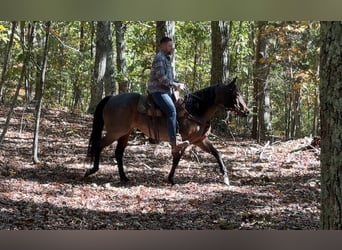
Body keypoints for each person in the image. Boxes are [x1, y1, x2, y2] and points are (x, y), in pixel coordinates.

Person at [148, 36, 189, 153]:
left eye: (172, 45)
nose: (172, 47)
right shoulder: (159, 58)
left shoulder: (167, 59)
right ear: (163, 46)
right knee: (171, 111)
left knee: (181, 106)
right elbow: (162, 79)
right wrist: (175, 85)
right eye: (170, 45)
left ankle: (179, 134)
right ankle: (174, 142)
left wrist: (178, 82)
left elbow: (170, 78)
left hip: (166, 90)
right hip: (157, 90)